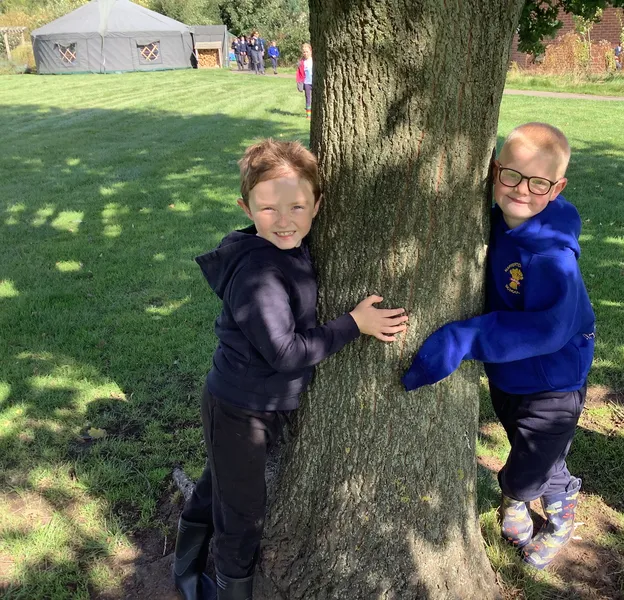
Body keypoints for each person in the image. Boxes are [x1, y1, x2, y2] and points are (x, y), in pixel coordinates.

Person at [172, 139, 408, 600]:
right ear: (246, 207)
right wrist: (355, 324)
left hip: (257, 403)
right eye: (267, 209)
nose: (284, 221)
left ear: (318, 205)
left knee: (220, 482)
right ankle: (228, 588)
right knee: (243, 510)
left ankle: (187, 562)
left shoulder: (288, 244)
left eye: (297, 206)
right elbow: (283, 351)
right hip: (241, 406)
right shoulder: (256, 275)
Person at [402, 123, 595, 571]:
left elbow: (549, 328)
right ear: (494, 171)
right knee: (528, 442)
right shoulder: (498, 225)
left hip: (553, 381)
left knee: (532, 458)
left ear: (557, 187)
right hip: (510, 374)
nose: (522, 190)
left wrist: (463, 337)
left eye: (538, 183)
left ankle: (545, 504)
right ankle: (545, 484)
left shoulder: (551, 256)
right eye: (511, 175)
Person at [301, 43, 313, 119]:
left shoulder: (313, 60)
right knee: (308, 98)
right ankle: (308, 114)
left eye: (307, 51)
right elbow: (300, 73)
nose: (305, 53)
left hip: (314, 81)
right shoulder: (302, 61)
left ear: (310, 51)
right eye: (304, 52)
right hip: (307, 82)